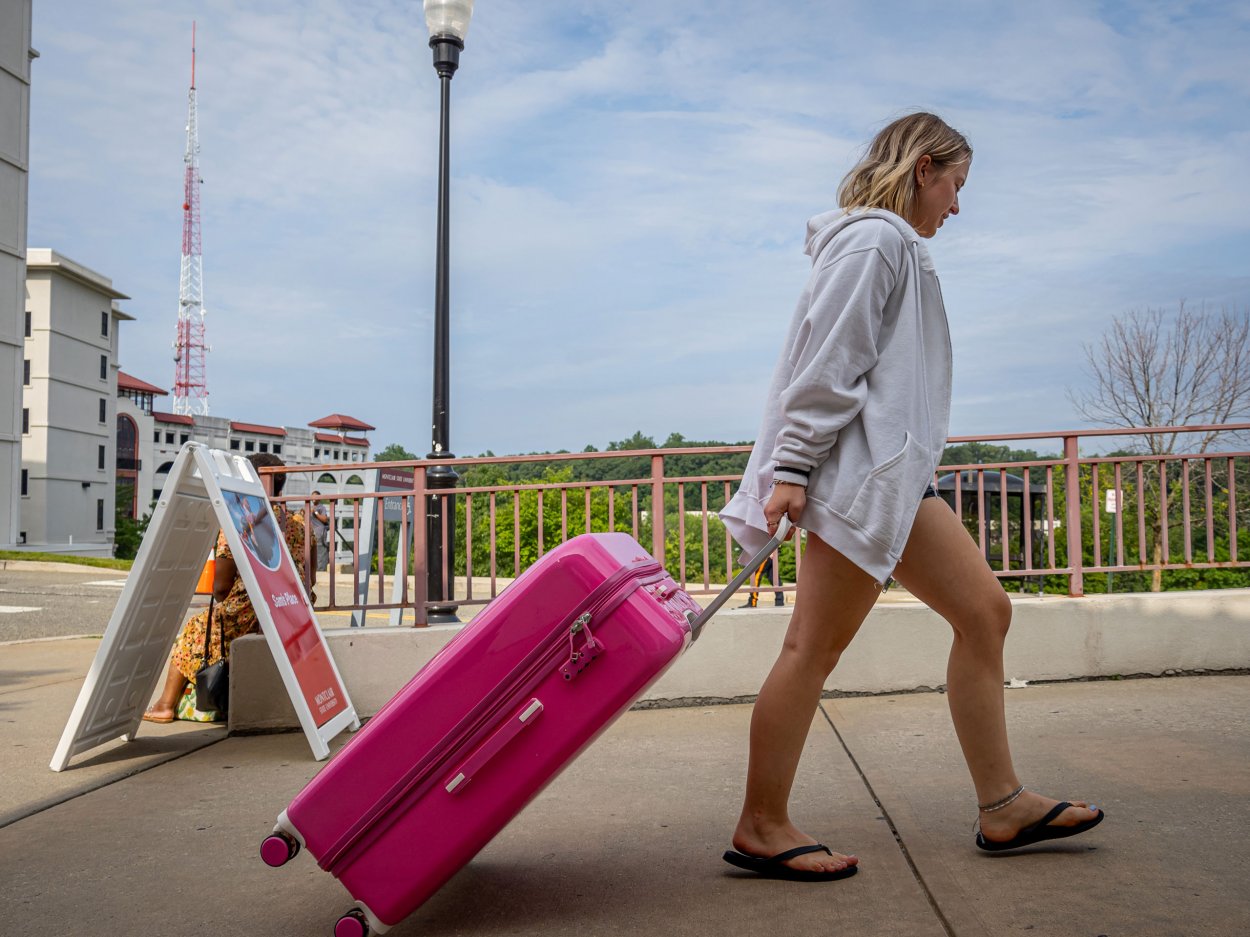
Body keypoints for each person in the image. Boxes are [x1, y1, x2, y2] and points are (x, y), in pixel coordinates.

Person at [718, 113, 1103, 881]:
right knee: (812, 649)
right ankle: (761, 823)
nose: (957, 206)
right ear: (924, 168)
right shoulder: (875, 240)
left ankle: (1002, 804)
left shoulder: (889, 246)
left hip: (896, 478)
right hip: (853, 475)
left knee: (985, 610)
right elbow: (830, 364)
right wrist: (792, 470)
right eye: (956, 185)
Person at [143, 453, 311, 723]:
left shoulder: (240, 523)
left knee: (195, 629)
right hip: (290, 611)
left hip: (250, 611)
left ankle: (165, 704)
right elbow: (309, 577)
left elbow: (221, 586)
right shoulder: (299, 526)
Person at [310, 490, 331, 575]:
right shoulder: (310, 507)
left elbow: (325, 519)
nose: (314, 498)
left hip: (320, 533)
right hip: (313, 534)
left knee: (321, 553)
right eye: (312, 496)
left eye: (316, 496)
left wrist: (315, 513)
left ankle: (321, 572)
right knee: (313, 553)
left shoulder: (321, 507)